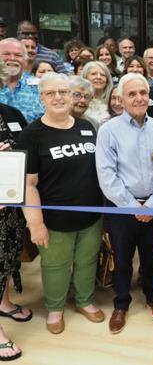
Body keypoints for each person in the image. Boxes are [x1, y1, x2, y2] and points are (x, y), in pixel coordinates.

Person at [20, 72, 104, 335]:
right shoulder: (32, 134)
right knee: (55, 265)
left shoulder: (86, 127)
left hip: (91, 215)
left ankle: (84, 301)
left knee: (87, 260)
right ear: (42, 98)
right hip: (54, 220)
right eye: (51, 93)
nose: (58, 97)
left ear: (71, 96)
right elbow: (28, 184)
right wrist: (35, 224)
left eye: (63, 92)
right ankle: (55, 308)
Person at [95, 72, 153, 334]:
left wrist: (152, 204)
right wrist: (132, 206)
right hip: (120, 207)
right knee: (123, 258)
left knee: (150, 255)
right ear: (121, 98)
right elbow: (107, 176)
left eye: (143, 93)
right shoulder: (108, 131)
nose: (139, 98)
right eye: (132, 94)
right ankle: (121, 304)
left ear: (149, 96)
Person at [0, 101, 29, 361]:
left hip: (10, 204)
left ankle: (3, 302)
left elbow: (26, 147)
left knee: (7, 258)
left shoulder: (11, 112)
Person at [0, 38, 44, 123]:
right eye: (6, 54)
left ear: (25, 60)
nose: (12, 58)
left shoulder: (40, 86)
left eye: (18, 55)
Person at [123, 55, 153, 119]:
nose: (135, 69)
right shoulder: (119, 90)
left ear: (144, 70)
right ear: (126, 70)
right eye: (131, 66)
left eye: (139, 66)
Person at [81, 61, 114, 125]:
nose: (98, 77)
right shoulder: (79, 102)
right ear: (85, 78)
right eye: (94, 74)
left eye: (102, 75)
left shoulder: (113, 102)